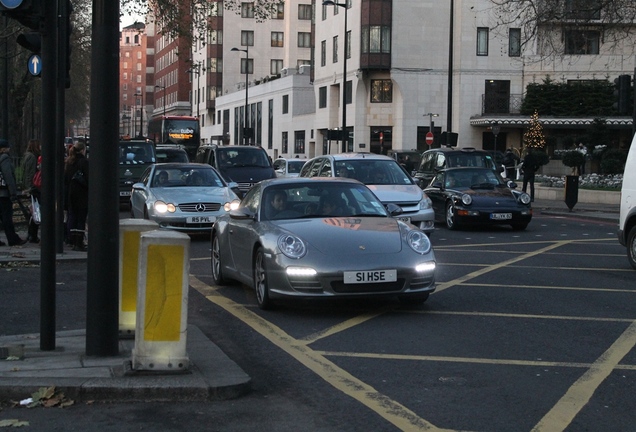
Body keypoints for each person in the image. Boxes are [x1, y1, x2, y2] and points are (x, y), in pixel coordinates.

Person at [0, 139, 27, 246]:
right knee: (7, 217)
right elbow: (8, 176)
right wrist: (13, 192)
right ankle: (13, 239)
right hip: (3, 193)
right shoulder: (5, 158)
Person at [64, 142, 89, 251]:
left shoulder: (69, 162)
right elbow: (88, 179)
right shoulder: (84, 162)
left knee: (72, 217)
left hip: (71, 193)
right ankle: (79, 242)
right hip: (82, 194)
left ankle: (72, 240)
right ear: (83, 150)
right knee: (81, 218)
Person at [22, 139, 41, 243]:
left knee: (34, 211)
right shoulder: (32, 157)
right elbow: (30, 173)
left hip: (32, 186)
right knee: (35, 211)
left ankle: (31, 234)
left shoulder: (28, 156)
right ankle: (32, 234)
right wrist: (29, 187)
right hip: (34, 187)